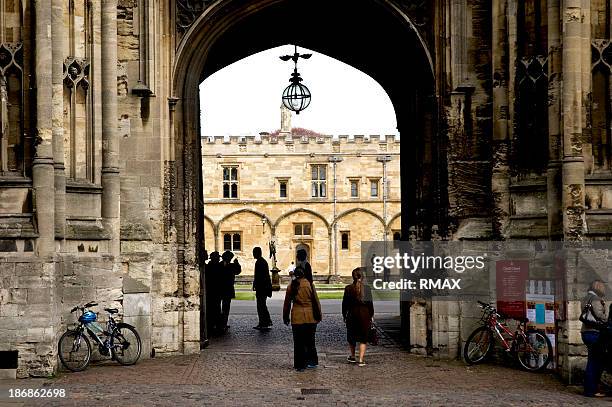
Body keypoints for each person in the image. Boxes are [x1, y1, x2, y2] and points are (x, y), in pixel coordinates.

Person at [283, 267, 321, 371]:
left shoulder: (292, 286)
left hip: (297, 316)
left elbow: (287, 304)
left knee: (298, 342)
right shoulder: (309, 284)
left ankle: (300, 365)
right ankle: (312, 361)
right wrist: (319, 314)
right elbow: (316, 301)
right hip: (310, 315)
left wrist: (285, 316)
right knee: (310, 340)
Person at [342, 267, 374, 367]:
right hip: (364, 315)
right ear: (363, 277)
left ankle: (352, 356)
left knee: (352, 336)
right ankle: (360, 359)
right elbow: (370, 304)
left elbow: (345, 304)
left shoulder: (348, 288)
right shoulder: (367, 289)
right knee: (363, 337)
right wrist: (371, 315)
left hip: (352, 314)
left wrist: (344, 315)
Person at [581, 280, 608, 397]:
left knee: (593, 360)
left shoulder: (585, 298)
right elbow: (601, 317)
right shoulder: (596, 299)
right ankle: (591, 390)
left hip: (585, 332)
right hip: (594, 332)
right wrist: (605, 309)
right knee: (594, 362)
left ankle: (591, 388)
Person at [219, 250, 241, 333]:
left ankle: (223, 323)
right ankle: (221, 324)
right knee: (221, 307)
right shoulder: (221, 265)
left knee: (226, 307)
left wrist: (236, 263)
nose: (230, 259)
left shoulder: (231, 265)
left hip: (226, 289)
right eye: (229, 257)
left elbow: (238, 271)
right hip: (223, 288)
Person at [252, 246, 273, 329]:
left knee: (261, 306)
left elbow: (260, 277)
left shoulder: (260, 262)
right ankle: (266, 321)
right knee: (262, 305)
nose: (253, 254)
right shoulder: (261, 261)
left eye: (254, 253)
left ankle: (263, 323)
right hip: (263, 287)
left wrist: (256, 285)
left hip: (262, 288)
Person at [206, 251, 222, 335]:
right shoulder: (215, 267)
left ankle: (213, 325)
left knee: (214, 308)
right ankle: (214, 326)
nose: (219, 259)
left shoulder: (209, 266)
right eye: (218, 258)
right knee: (214, 308)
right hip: (214, 291)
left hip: (214, 291)